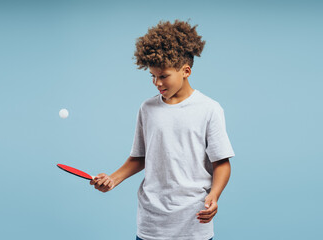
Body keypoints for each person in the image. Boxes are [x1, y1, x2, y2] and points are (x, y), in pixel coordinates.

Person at [90, 19, 235, 240]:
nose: (157, 83)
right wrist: (113, 179)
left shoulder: (209, 109)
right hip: (151, 225)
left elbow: (221, 163)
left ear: (186, 71)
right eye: (153, 76)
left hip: (194, 223)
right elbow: (139, 157)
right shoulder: (147, 108)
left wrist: (214, 195)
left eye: (163, 76)